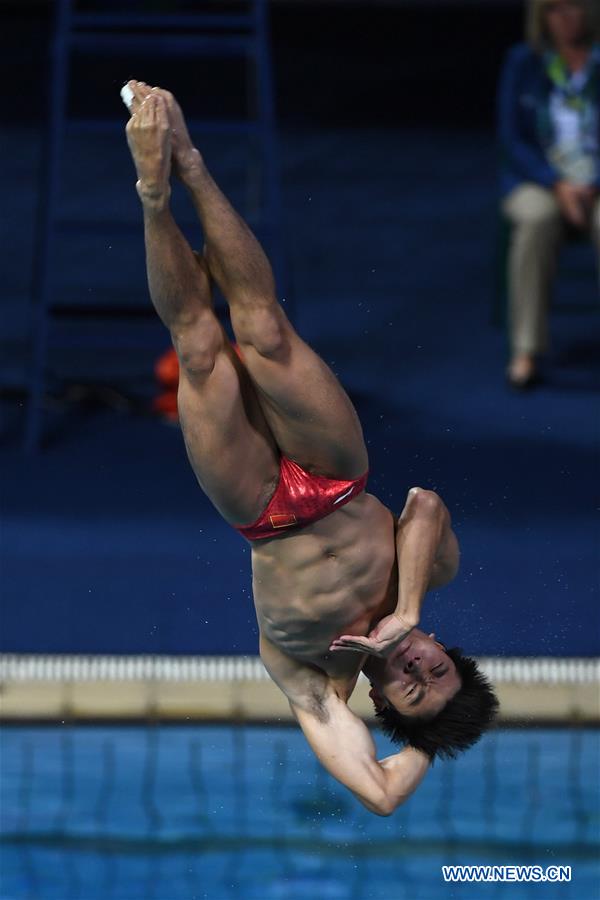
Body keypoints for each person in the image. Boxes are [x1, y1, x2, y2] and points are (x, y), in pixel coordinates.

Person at [124, 81, 498, 816]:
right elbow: (424, 504)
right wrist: (406, 608)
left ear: (383, 702)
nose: (418, 668)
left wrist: (437, 734)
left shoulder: (315, 681)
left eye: (412, 690)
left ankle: (154, 191)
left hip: (259, 510)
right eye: (439, 670)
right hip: (335, 475)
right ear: (445, 648)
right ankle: (191, 162)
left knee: (198, 348)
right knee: (263, 330)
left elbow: (382, 796)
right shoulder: (429, 574)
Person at [498, 0, 600, 389]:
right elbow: (512, 138)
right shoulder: (523, 62)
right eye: (555, 8)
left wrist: (591, 184)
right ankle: (525, 349)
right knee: (536, 220)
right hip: (539, 178)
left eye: (574, 6)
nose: (566, 16)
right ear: (542, 15)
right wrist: (556, 182)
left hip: (595, 180)